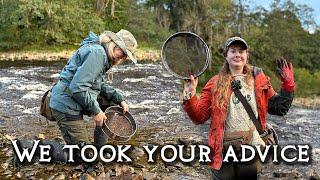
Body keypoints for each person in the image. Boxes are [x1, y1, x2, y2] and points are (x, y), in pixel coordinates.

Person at [182, 37, 295, 179]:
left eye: (241, 51)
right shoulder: (214, 83)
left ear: (247, 56)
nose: (237, 54)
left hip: (251, 148)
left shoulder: (258, 79)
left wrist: (288, 85)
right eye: (233, 51)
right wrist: (190, 93)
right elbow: (199, 117)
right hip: (222, 152)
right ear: (226, 56)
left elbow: (280, 108)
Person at [49, 29, 137, 149]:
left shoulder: (101, 53)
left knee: (111, 103)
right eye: (124, 53)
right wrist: (96, 111)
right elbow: (78, 88)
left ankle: (99, 149)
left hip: (73, 99)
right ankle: (31, 149)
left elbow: (97, 84)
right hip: (66, 104)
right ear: (115, 46)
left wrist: (119, 98)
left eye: (126, 56)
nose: (124, 58)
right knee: (84, 157)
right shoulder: (98, 54)